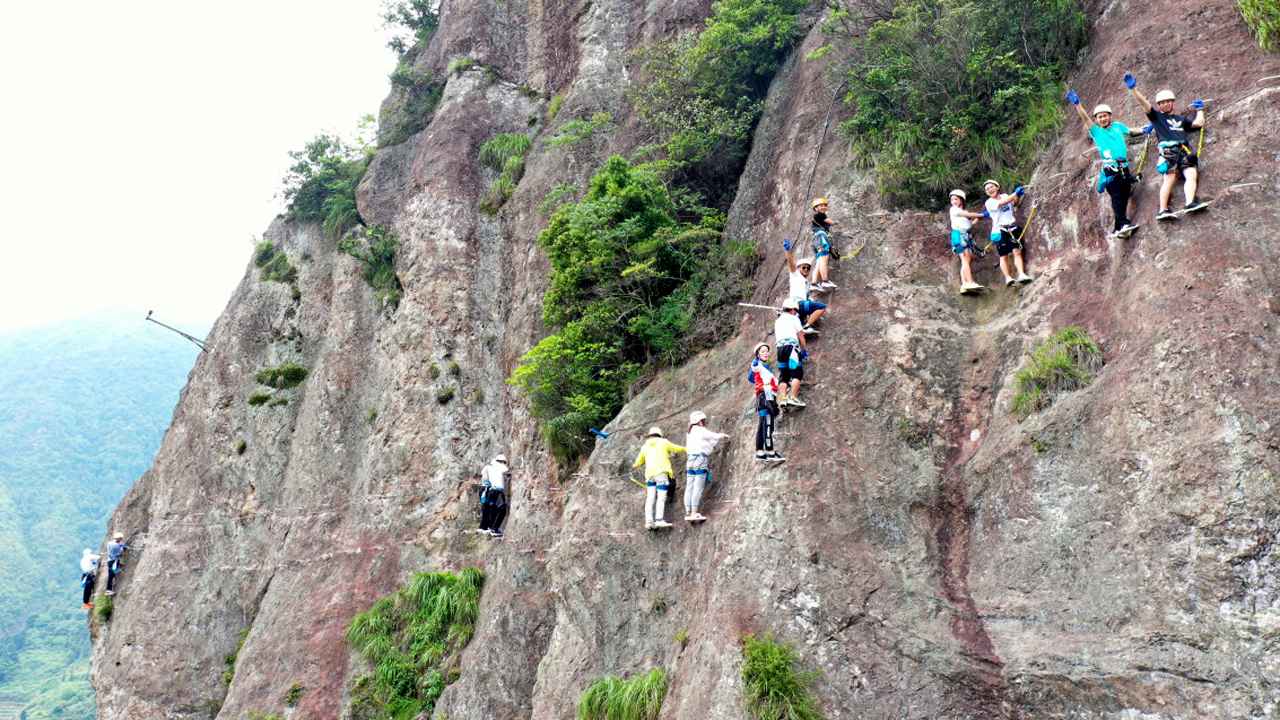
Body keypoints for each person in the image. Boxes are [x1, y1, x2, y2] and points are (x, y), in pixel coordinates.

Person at [1124, 72, 1208, 220]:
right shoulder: (1157, 117)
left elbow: (1198, 123)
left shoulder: (1180, 119)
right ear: (1159, 106)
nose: (1165, 104)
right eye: (1162, 103)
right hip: (1169, 152)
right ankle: (1163, 210)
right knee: (1169, 179)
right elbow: (1144, 104)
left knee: (1191, 174)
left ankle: (1190, 203)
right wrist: (1133, 89)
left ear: (1173, 102)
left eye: (1168, 101)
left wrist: (1200, 110)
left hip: (1184, 150)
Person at [1066, 89, 1145, 238]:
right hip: (1111, 169)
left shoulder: (1118, 127)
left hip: (1124, 167)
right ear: (1096, 119)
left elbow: (1131, 131)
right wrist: (1078, 105)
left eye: (1104, 116)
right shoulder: (1096, 131)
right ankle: (1123, 223)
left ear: (1110, 116)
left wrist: (1144, 129)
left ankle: (1118, 227)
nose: (1102, 119)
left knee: (1125, 193)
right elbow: (1085, 119)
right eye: (1099, 117)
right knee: (1117, 197)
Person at [982, 180, 1034, 287]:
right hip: (1000, 230)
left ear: (997, 187)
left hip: (1012, 227)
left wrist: (1018, 195)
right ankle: (1008, 278)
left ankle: (1021, 274)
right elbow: (1002, 203)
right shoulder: (989, 202)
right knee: (1003, 256)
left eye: (991, 187)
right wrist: (1015, 193)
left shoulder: (1005, 195)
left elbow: (1014, 203)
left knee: (1017, 252)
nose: (989, 190)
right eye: (987, 189)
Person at [632, 427, 685, 530]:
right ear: (659, 435)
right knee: (661, 497)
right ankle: (659, 520)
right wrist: (686, 448)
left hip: (650, 476)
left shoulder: (645, 446)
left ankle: (649, 522)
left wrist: (635, 465)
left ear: (650, 435)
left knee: (650, 498)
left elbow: (638, 461)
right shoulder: (663, 442)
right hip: (661, 473)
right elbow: (676, 448)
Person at [683, 411, 728, 523]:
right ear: (699, 421)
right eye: (703, 420)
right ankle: (694, 512)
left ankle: (688, 511)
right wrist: (722, 435)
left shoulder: (689, 432)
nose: (704, 422)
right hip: (700, 460)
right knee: (698, 487)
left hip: (690, 461)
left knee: (689, 486)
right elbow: (713, 436)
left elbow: (707, 442)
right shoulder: (701, 430)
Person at [747, 343, 785, 463]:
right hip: (765, 397)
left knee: (763, 424)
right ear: (758, 354)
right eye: (762, 351)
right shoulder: (758, 364)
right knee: (768, 424)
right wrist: (755, 365)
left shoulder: (765, 367)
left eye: (767, 351)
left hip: (764, 397)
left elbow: (752, 378)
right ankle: (770, 452)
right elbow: (752, 373)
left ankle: (760, 452)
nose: (766, 353)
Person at [782, 239, 825, 334]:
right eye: (804, 267)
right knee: (821, 307)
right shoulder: (795, 275)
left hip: (799, 308)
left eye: (808, 268)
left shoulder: (806, 282)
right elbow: (791, 263)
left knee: (801, 322)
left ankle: (803, 328)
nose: (806, 269)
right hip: (798, 303)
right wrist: (787, 251)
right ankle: (807, 326)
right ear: (798, 268)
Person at [947, 189, 987, 293]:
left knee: (966, 260)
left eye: (956, 199)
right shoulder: (954, 209)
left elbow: (970, 224)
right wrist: (982, 215)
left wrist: (978, 218)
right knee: (965, 259)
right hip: (959, 236)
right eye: (952, 199)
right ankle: (970, 282)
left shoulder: (964, 213)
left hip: (965, 236)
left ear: (961, 200)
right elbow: (969, 215)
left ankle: (964, 284)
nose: (953, 201)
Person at [774, 298, 808, 408]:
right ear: (792, 309)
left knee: (784, 375)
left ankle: (783, 399)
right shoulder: (794, 319)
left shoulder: (778, 321)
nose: (796, 313)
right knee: (797, 372)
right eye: (795, 311)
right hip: (792, 348)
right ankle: (793, 397)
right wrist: (803, 350)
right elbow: (801, 335)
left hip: (780, 349)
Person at [478, 454, 510, 538]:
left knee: (489, 509)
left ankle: (486, 527)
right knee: (502, 509)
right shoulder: (501, 467)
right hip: (497, 491)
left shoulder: (489, 467)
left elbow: (483, 476)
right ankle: (494, 529)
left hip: (489, 490)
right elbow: (507, 470)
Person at [810, 198, 838, 290]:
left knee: (819, 261)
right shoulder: (820, 215)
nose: (823, 207)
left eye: (824, 205)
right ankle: (825, 281)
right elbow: (830, 222)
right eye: (820, 205)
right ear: (816, 208)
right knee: (823, 258)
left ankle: (814, 283)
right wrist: (836, 223)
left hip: (817, 239)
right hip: (820, 237)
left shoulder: (819, 216)